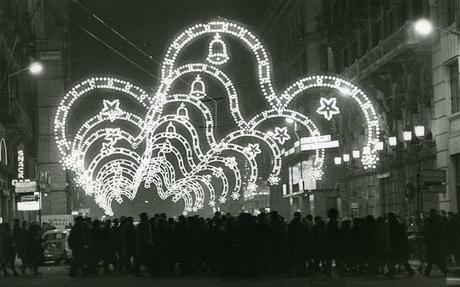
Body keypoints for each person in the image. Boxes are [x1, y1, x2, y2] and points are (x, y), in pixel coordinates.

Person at [386, 212, 415, 277]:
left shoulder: (392, 224)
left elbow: (392, 235)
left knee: (393, 259)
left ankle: (391, 272)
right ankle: (410, 271)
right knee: (402, 259)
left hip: (396, 244)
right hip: (399, 244)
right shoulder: (396, 224)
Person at [424, 209, 448, 277]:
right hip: (436, 242)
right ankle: (428, 271)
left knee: (433, 258)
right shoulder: (439, 220)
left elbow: (430, 231)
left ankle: (443, 270)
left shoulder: (432, 221)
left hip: (433, 242)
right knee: (434, 258)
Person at [134, 212, 153, 276]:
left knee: (140, 258)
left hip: (142, 244)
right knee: (143, 257)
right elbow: (145, 235)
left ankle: (138, 272)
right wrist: (149, 242)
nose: (147, 217)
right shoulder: (144, 225)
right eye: (146, 216)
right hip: (144, 244)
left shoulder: (141, 225)